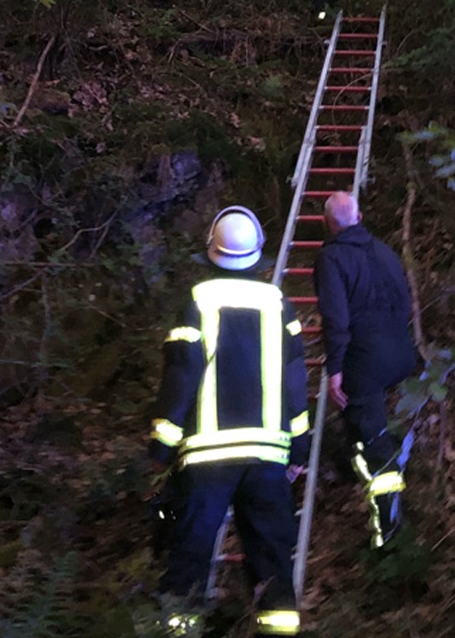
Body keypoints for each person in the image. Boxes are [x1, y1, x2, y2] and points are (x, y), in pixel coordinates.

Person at [149, 206, 311, 636]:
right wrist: (300, 445)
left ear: (211, 251)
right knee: (274, 563)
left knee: (189, 557)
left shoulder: (199, 302)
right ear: (258, 252)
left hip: (206, 460)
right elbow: (295, 381)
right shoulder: (279, 304)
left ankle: (179, 631)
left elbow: (181, 375)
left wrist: (162, 444)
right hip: (267, 458)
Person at [314, 191, 419, 550]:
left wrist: (336, 368)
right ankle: (387, 450)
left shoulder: (330, 259)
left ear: (327, 223)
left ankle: (388, 531)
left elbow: (336, 319)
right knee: (359, 420)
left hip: (364, 361)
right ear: (359, 216)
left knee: (371, 440)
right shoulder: (384, 250)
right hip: (402, 353)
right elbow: (404, 300)